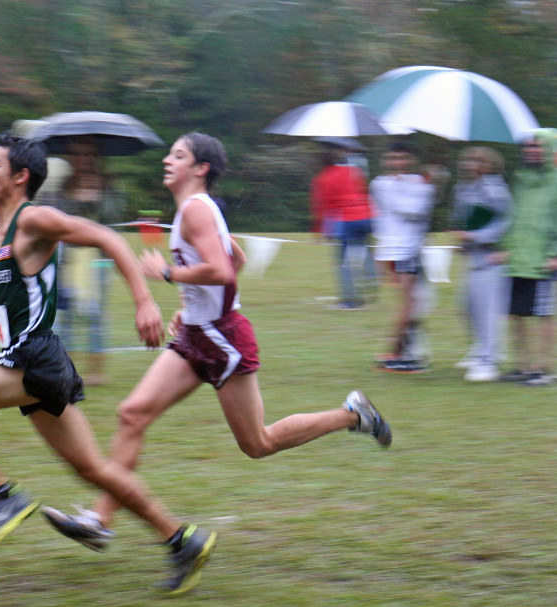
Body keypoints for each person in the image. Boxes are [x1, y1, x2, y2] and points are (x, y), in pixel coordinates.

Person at [40, 132, 391, 553]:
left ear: (201, 168)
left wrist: (168, 275)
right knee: (132, 414)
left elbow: (223, 271)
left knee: (257, 443)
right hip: (197, 333)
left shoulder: (195, 211)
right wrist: (191, 306)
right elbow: (235, 259)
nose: (168, 160)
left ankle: (352, 415)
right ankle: (100, 520)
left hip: (224, 339)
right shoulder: (195, 209)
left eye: (179, 155)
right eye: (170, 153)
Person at [0, 132, 216, 595]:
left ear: (20, 176)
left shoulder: (35, 221)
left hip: (29, 356)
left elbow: (106, 237)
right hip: (35, 362)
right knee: (93, 468)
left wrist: (143, 301)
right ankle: (181, 540)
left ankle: (3, 499)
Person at [496, 129, 557, 386]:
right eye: (527, 147)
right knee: (516, 314)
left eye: (537, 147)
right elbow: (513, 216)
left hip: (546, 259)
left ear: (548, 148)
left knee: (544, 315)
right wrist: (506, 246)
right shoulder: (521, 178)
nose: (531, 151)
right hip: (519, 257)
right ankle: (523, 366)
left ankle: (544, 369)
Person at [52, 139, 125, 385]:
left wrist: (97, 199)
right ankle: (67, 369)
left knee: (95, 315)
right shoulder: (64, 185)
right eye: (77, 154)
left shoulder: (107, 184)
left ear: (95, 157)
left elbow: (113, 218)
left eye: (87, 154)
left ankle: (96, 373)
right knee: (66, 315)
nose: (82, 159)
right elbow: (56, 217)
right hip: (69, 258)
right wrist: (76, 199)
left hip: (98, 260)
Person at [370, 141, 437, 373]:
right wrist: (424, 186)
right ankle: (401, 352)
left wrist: (427, 186)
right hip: (394, 249)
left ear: (412, 160)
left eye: (403, 158)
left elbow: (421, 212)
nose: (398, 163)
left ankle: (403, 352)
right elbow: (405, 210)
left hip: (412, 248)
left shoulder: (422, 183)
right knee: (411, 304)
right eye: (393, 158)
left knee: (414, 303)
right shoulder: (380, 184)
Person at [448, 147, 513, 382]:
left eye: (476, 160)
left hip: (491, 259)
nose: (469, 163)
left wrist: (477, 237)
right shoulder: (462, 188)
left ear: (488, 164)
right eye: (466, 158)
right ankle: (479, 349)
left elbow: (506, 223)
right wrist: (464, 240)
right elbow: (466, 219)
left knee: (487, 312)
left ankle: (489, 360)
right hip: (473, 258)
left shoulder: (495, 189)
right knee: (466, 307)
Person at [310, 141, 374, 309]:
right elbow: (363, 190)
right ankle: (371, 278)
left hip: (347, 220)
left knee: (344, 262)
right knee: (364, 250)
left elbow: (321, 207)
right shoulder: (353, 171)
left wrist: (321, 231)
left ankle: (350, 300)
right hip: (367, 216)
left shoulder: (322, 178)